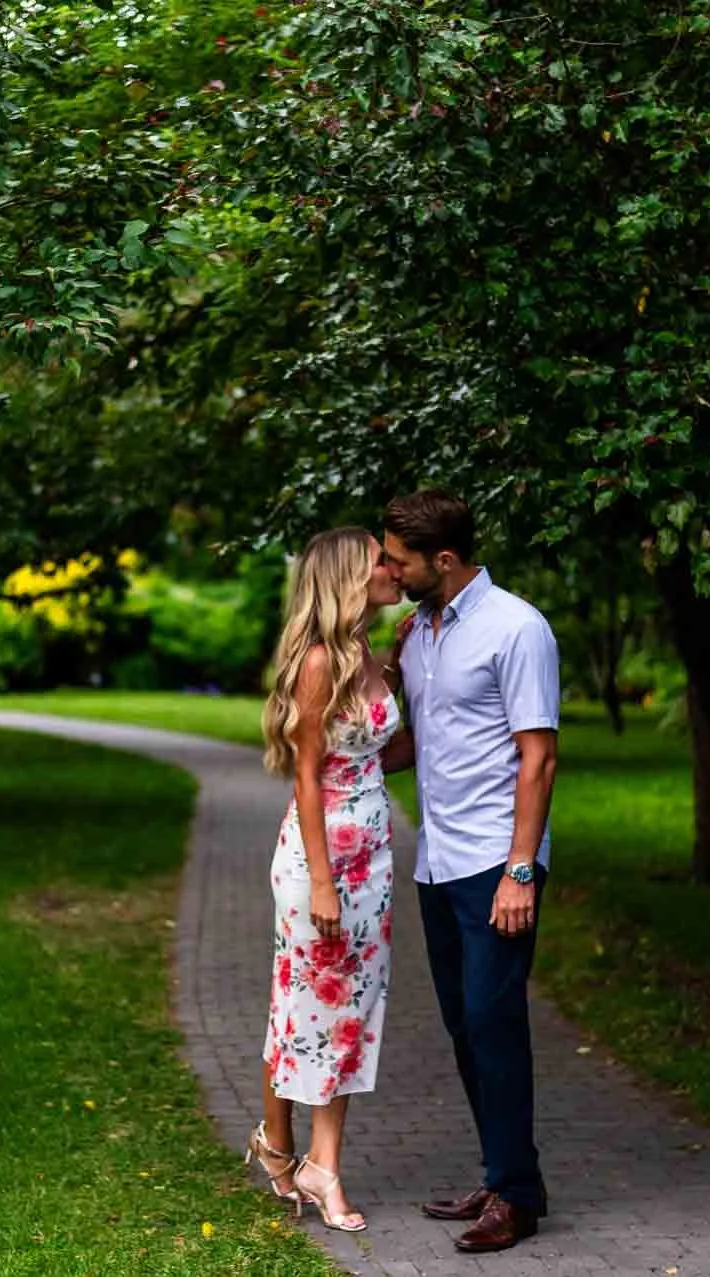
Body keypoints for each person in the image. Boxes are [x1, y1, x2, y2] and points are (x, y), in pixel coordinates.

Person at [380, 489, 561, 1255]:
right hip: (438, 860)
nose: (387, 568)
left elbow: (539, 754)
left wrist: (521, 869)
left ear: (443, 560)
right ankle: (501, 1175)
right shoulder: (417, 633)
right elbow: (420, 744)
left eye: (398, 558)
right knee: (462, 1022)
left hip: (496, 860)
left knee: (494, 1018)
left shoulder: (516, 627)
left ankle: (517, 1195)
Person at [247, 526, 407, 1232]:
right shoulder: (318, 663)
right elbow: (307, 776)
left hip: (373, 856)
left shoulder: (368, 653)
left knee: (347, 1013)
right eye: (380, 559)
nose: (392, 567)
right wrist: (321, 883)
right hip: (323, 860)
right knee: (311, 1009)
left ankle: (302, 1156)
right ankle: (306, 1158)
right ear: (349, 575)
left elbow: (377, 753)